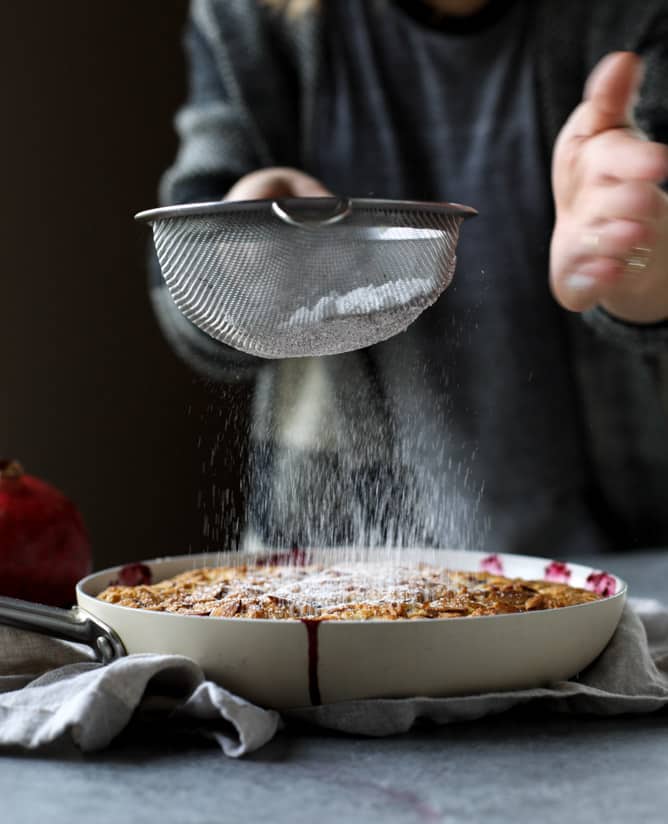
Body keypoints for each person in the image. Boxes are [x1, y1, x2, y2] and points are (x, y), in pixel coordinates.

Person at [150, 0, 668, 556]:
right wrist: (247, 254)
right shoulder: (250, 20)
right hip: (332, 562)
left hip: (626, 557)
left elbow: (652, 260)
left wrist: (636, 271)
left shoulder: (633, 17)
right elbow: (185, 297)